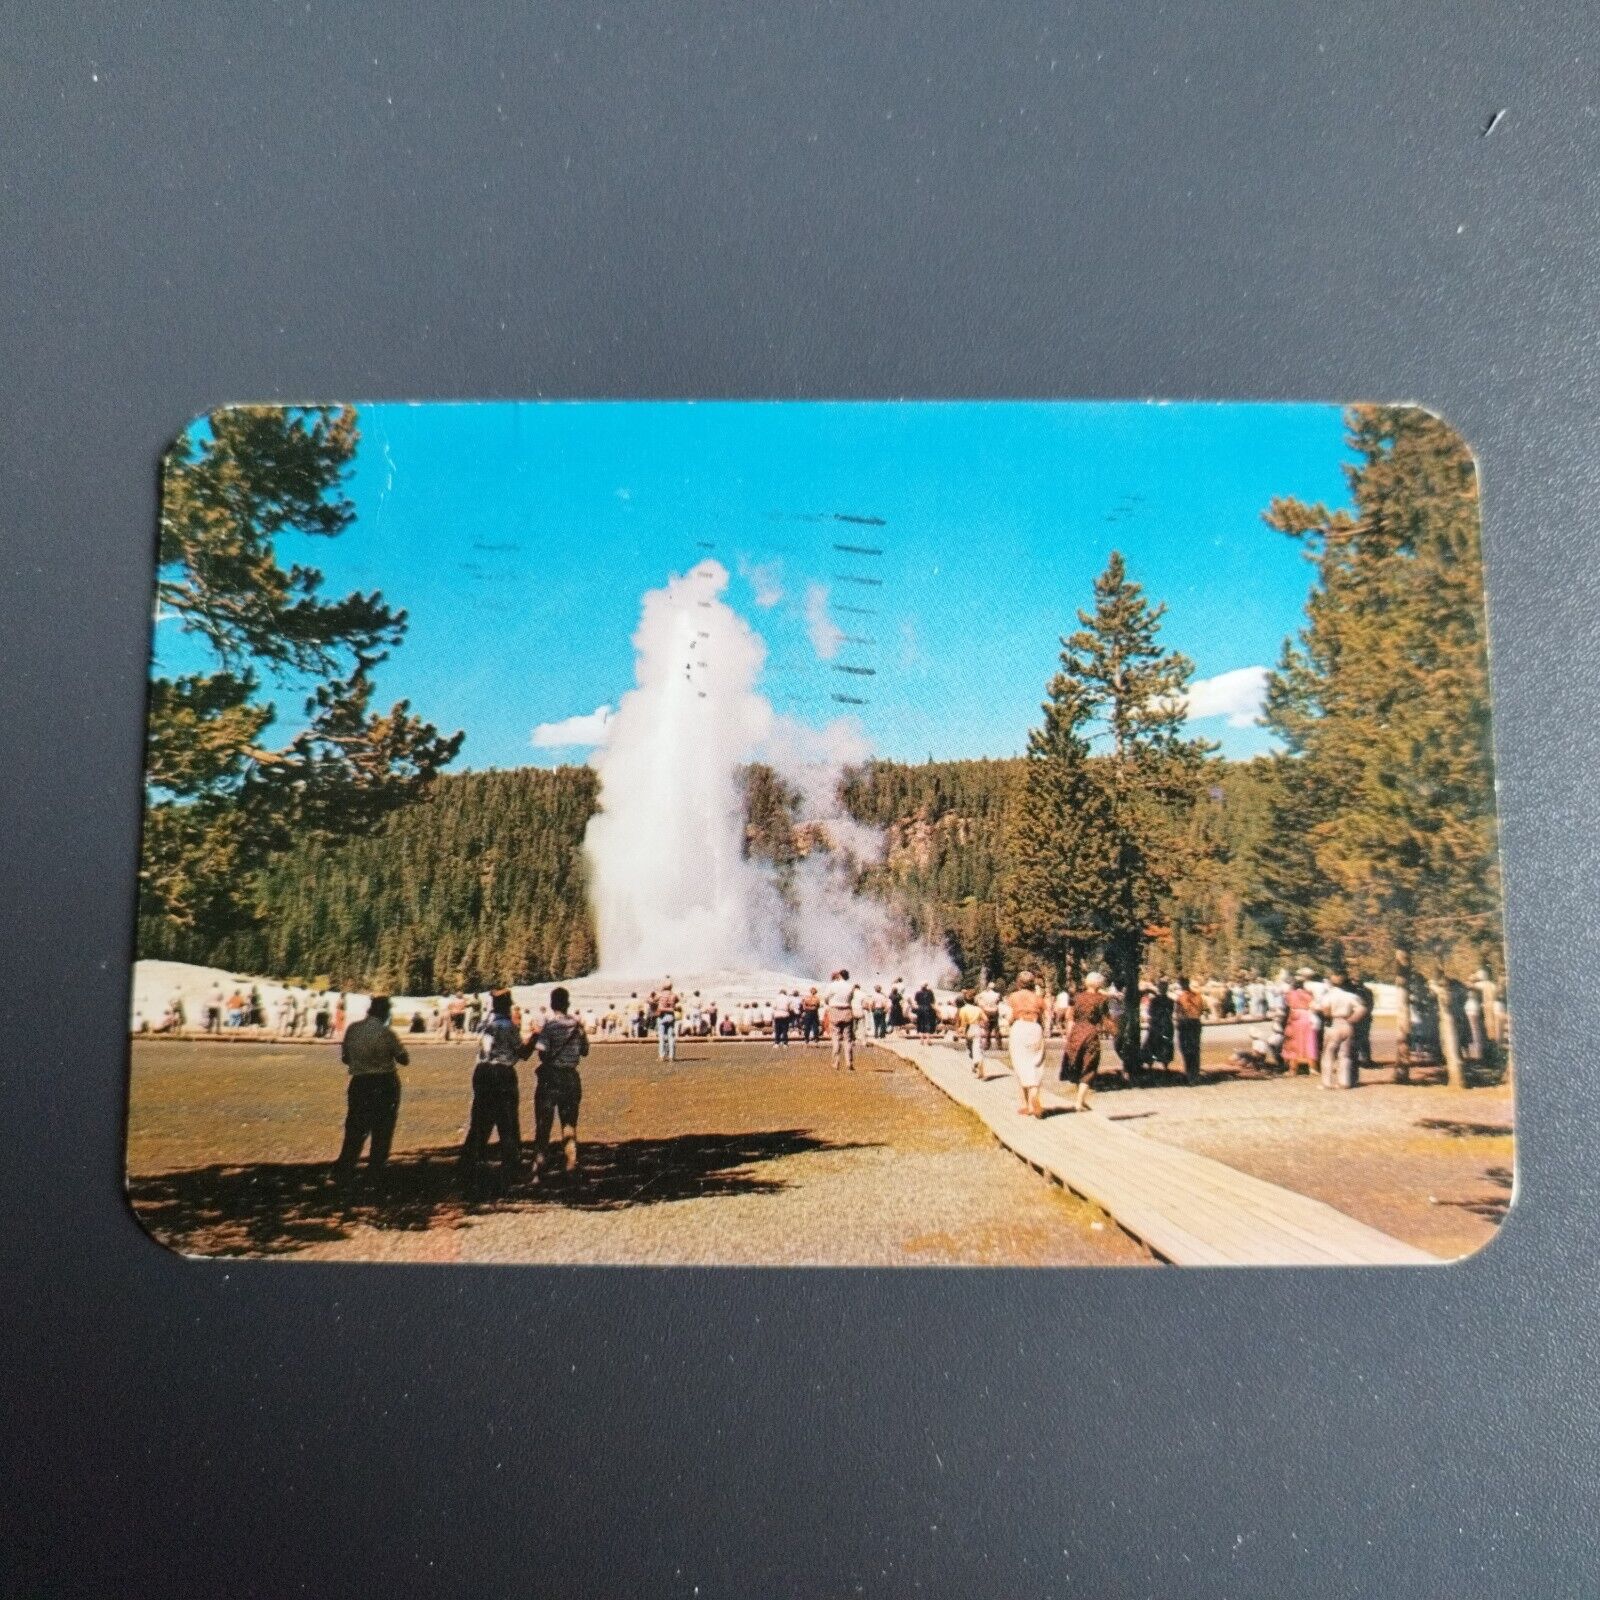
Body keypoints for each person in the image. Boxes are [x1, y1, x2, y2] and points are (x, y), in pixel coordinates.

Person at [460, 989, 532, 1179]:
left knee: (480, 1117)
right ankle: (511, 1161)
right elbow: (522, 1053)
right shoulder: (508, 1026)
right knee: (507, 1118)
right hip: (502, 1072)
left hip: (482, 1071)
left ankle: (470, 1159)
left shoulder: (485, 1023)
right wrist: (534, 1037)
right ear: (507, 1005)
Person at [335, 995, 408, 1178]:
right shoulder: (386, 1033)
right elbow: (404, 1059)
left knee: (355, 1127)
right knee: (383, 1129)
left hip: (360, 1082)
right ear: (384, 1012)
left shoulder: (353, 1029)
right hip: (384, 1082)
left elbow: (345, 1058)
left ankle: (346, 1166)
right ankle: (376, 1168)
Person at [534, 985, 588, 1175]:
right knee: (569, 1123)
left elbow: (541, 1053)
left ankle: (540, 1166)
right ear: (567, 1003)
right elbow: (585, 1051)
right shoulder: (577, 1026)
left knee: (544, 1123)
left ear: (551, 1004)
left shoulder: (549, 1027)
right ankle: (571, 1164)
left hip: (551, 1078)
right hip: (571, 1078)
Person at [1059, 972, 1114, 1113]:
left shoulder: (1076, 997)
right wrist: (1116, 1032)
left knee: (1076, 1063)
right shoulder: (1102, 999)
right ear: (1099, 984)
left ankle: (1081, 1100)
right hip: (1090, 1034)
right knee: (1089, 1066)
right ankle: (1079, 1102)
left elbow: (1069, 1016)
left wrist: (1068, 1034)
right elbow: (1106, 1020)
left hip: (1076, 1033)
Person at [1005, 972, 1048, 1116]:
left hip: (1020, 1027)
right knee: (1035, 1062)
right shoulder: (1038, 999)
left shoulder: (1013, 997)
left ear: (1018, 983)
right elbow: (1044, 1018)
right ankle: (1033, 1093)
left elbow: (1010, 1017)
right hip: (1035, 1027)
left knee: (1020, 1063)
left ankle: (1024, 1104)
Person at [1282, 971, 1318, 1075]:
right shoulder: (1308, 993)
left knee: (1293, 1043)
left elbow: (1287, 1004)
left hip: (1295, 1017)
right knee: (1309, 1042)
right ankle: (1313, 1068)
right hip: (1307, 1017)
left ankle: (1293, 1069)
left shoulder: (1290, 994)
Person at [1174, 976, 1206, 1084]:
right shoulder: (1198, 996)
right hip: (1195, 1023)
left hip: (1185, 1024)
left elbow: (1177, 1013)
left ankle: (1189, 1074)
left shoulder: (1180, 997)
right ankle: (1195, 1074)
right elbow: (1201, 1011)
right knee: (1195, 1049)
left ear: (1181, 985)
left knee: (1186, 1049)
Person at [827, 969, 859, 1071]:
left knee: (835, 1038)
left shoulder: (832, 985)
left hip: (835, 1010)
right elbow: (851, 998)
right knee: (848, 1039)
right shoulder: (850, 986)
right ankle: (849, 1062)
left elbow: (826, 998)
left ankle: (835, 1063)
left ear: (839, 975)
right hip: (847, 1011)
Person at [1144, 979, 1175, 1072]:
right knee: (1155, 1044)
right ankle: (1154, 1064)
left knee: (1159, 1044)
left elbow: (1150, 1012)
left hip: (1160, 1025)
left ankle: (1160, 1065)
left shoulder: (1159, 1000)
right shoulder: (1167, 1001)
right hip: (1160, 1024)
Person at [957, 990, 987, 1077]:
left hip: (968, 1029)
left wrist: (960, 1031)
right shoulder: (978, 1009)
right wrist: (981, 1023)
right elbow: (986, 1019)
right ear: (974, 1000)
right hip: (977, 1028)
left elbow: (963, 1023)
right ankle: (976, 1062)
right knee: (977, 1047)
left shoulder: (962, 1010)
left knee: (970, 1048)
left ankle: (974, 1064)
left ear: (965, 1000)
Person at [653, 977, 678, 1061]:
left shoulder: (660, 994)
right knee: (671, 1037)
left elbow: (653, 1000)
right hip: (670, 1016)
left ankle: (662, 1056)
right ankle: (672, 1056)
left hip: (662, 1016)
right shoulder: (674, 995)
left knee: (662, 1037)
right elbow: (677, 1001)